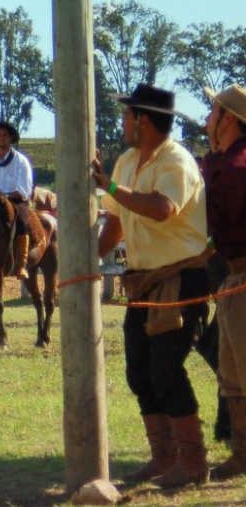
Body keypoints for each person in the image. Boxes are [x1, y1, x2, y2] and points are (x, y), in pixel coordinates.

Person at [92, 83, 211, 489]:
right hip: (144, 283)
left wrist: (109, 187)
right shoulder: (128, 161)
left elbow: (163, 209)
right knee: (139, 373)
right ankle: (165, 457)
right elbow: (118, 221)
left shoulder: (176, 161)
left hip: (182, 280)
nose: (123, 123)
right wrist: (88, 257)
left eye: (127, 116)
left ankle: (193, 460)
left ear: (143, 120)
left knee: (165, 369)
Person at [201, 84, 246, 481]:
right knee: (233, 372)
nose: (207, 117)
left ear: (228, 118)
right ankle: (242, 453)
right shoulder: (225, 162)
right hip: (234, 275)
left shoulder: (236, 169)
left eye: (212, 110)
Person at [0, 121, 34, 279]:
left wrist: (4, 194)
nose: (1, 138)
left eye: (4, 135)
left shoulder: (21, 161)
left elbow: (23, 189)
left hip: (16, 202)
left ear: (10, 138)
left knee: (22, 223)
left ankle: (21, 264)